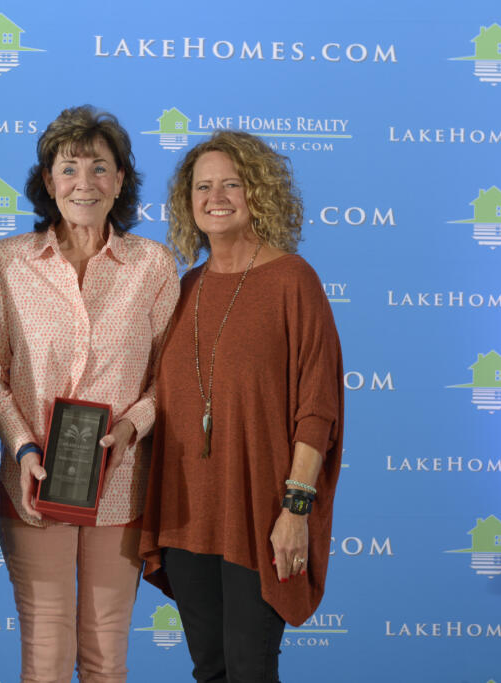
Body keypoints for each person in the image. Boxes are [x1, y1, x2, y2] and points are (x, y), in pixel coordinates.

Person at [0, 105, 179, 682]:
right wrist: (23, 447)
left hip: (121, 489)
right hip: (32, 488)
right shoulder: (10, 261)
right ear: (48, 183)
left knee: (106, 659)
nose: (83, 183)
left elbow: (171, 382)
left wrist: (132, 426)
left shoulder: (153, 266)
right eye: (68, 168)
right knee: (45, 658)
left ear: (120, 181)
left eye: (99, 168)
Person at [139, 130, 344, 682]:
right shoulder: (185, 288)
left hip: (259, 514)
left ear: (258, 192)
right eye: (203, 186)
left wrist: (295, 511)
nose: (216, 196)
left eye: (231, 183)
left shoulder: (292, 281)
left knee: (251, 669)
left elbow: (317, 408)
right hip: (186, 518)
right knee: (210, 669)